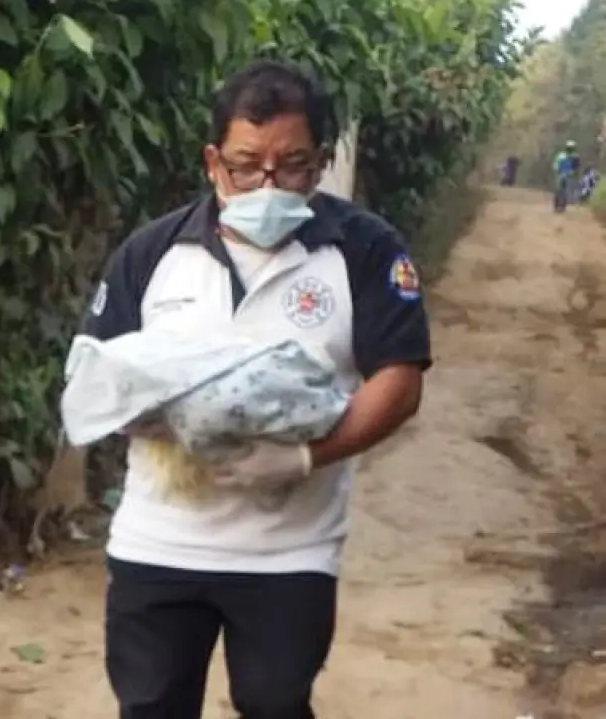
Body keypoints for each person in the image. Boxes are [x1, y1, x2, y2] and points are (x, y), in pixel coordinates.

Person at [76, 60, 431, 719]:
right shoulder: (153, 254)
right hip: (160, 542)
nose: (267, 184)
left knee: (274, 703)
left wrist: (304, 457)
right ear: (213, 160)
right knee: (150, 706)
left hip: (289, 550)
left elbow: (400, 380)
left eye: (291, 165)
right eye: (246, 165)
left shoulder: (365, 252)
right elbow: (95, 373)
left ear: (322, 161)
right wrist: (164, 410)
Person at [553, 140, 581, 212]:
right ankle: (557, 205)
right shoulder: (561, 155)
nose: (570, 150)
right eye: (569, 148)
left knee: (565, 191)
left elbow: (576, 167)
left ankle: (562, 206)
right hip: (560, 173)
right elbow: (556, 164)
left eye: (571, 148)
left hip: (568, 175)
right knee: (559, 190)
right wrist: (557, 169)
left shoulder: (575, 157)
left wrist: (573, 172)